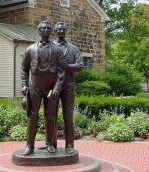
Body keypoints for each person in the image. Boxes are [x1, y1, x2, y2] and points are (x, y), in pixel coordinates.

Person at [20, 21, 65, 155]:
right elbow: (24, 69)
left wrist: (57, 89)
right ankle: (29, 145)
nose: (45, 30)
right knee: (32, 116)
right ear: (39, 30)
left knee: (50, 117)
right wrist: (24, 85)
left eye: (48, 28)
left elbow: (61, 71)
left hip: (51, 88)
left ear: (51, 31)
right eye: (43, 28)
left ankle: (49, 143)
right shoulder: (30, 49)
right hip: (34, 87)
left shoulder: (57, 50)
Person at [53, 22, 84, 154]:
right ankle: (51, 144)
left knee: (68, 116)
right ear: (55, 31)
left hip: (68, 86)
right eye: (59, 29)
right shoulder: (50, 47)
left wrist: (68, 66)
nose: (61, 31)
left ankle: (69, 145)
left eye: (63, 29)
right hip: (52, 85)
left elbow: (80, 65)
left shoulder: (74, 49)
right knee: (51, 115)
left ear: (66, 31)